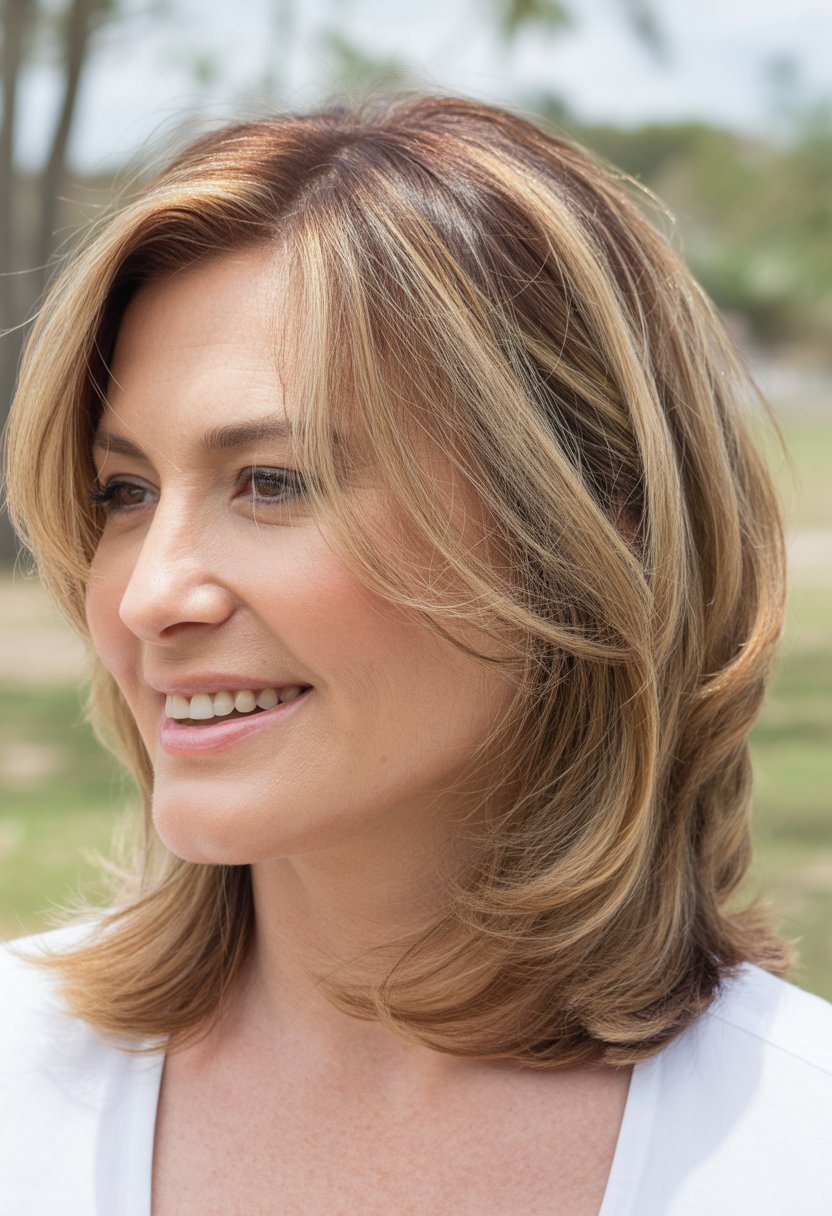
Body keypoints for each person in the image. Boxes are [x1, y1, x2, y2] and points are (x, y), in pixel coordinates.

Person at [2, 94, 830, 1216]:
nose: (149, 596)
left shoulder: (794, 1145)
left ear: (586, 526)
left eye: (273, 481)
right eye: (126, 492)